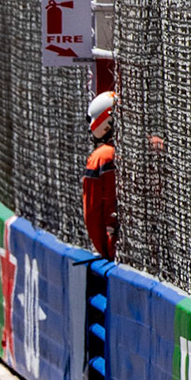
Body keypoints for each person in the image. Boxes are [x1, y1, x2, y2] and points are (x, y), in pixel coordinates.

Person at [82, 90, 117, 260]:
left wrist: (104, 250)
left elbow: (92, 213)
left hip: (117, 246)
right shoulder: (155, 146)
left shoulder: (101, 157)